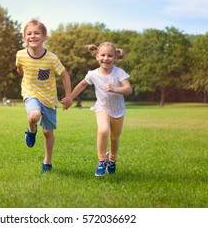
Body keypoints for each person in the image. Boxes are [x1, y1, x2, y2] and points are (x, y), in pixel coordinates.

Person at [62, 42, 132, 176]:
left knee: (114, 139)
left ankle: (111, 159)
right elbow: (82, 85)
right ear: (97, 56)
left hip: (118, 110)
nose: (106, 58)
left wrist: (114, 89)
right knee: (103, 130)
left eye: (110, 56)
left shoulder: (119, 73)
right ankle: (101, 161)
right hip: (102, 108)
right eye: (103, 55)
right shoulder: (93, 74)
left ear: (115, 58)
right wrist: (70, 98)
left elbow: (128, 89)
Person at [16, 19, 72, 174]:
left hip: (49, 98)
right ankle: (31, 130)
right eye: (29, 33)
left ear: (45, 37)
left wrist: (69, 97)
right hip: (30, 93)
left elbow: (65, 75)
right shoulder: (20, 55)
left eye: (37, 33)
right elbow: (20, 70)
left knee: (48, 132)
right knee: (34, 116)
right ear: (24, 38)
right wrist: (23, 75)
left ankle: (47, 161)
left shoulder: (52, 58)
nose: (33, 36)